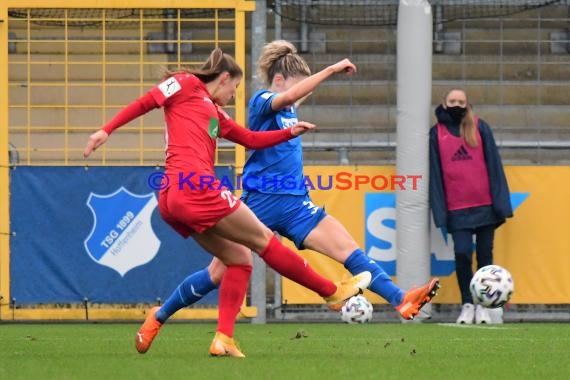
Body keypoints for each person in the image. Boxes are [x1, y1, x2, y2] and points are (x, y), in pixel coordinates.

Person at [132, 40, 440, 354]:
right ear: (278, 81)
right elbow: (290, 95)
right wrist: (332, 68)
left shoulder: (291, 111)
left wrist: (325, 78)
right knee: (218, 272)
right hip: (261, 200)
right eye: (294, 86)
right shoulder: (263, 101)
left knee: (351, 252)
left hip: (296, 204)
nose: (298, 95)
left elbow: (298, 94)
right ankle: (159, 316)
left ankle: (400, 300)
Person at [83, 48, 372, 358]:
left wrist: (289, 131)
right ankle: (332, 292)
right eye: (234, 88)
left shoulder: (215, 115)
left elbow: (250, 139)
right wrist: (106, 129)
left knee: (239, 260)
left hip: (172, 198)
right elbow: (145, 102)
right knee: (263, 240)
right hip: (195, 186)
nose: (234, 96)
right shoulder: (183, 84)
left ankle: (218, 336)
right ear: (223, 79)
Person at [429, 88, 513, 325]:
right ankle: (467, 303)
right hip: (457, 208)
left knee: (485, 256)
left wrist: (500, 204)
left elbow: (494, 165)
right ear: (444, 104)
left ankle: (484, 306)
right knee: (463, 254)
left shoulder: (479, 127)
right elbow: (435, 175)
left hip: (485, 205)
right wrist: (440, 212)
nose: (457, 105)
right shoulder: (436, 134)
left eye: (461, 101)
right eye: (452, 101)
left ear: (468, 104)